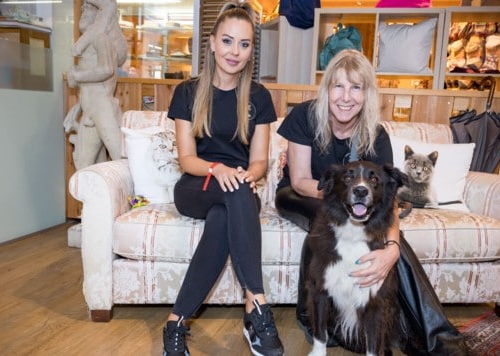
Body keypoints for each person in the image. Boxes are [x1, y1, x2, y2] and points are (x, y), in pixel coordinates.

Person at [275, 49, 468, 355]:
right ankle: (312, 317)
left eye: (356, 87)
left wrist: (391, 249)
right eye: (338, 86)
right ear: (327, 89)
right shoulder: (304, 116)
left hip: (350, 204)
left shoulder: (375, 134)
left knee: (379, 236)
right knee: (327, 218)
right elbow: (299, 180)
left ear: (367, 94)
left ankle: (437, 337)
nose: (346, 97)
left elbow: (387, 199)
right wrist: (343, 197)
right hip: (301, 194)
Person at [162, 2, 284, 356]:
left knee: (226, 215)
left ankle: (175, 323)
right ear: (213, 43)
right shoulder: (187, 92)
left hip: (239, 189)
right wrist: (219, 170)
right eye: (228, 41)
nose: (234, 52)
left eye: (244, 44)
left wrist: (249, 173)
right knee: (234, 194)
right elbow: (187, 159)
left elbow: (259, 160)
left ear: (250, 51)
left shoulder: (259, 97)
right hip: (196, 184)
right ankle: (258, 309)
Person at [64, 0, 127, 170]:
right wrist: (77, 108)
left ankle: (131, 197)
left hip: (103, 109)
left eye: (89, 9)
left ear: (99, 14)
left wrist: (78, 75)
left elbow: (106, 69)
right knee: (84, 167)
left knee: (120, 160)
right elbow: (87, 87)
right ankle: (99, 196)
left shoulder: (100, 38)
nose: (83, 12)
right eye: (82, 9)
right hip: (89, 110)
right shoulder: (87, 42)